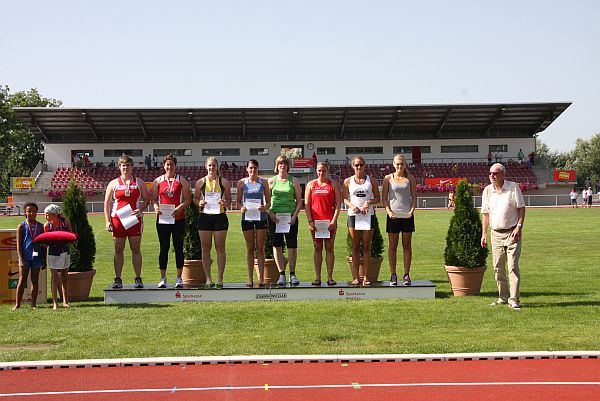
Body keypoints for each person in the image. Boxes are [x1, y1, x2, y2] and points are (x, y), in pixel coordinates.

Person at [481, 163, 526, 310]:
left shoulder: (513, 187)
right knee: (498, 268)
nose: (492, 176)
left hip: (512, 233)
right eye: (490, 173)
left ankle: (514, 299)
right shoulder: (487, 191)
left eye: (495, 173)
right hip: (495, 234)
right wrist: (484, 234)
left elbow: (521, 208)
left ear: (503, 174)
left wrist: (519, 227)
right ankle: (503, 297)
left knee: (512, 266)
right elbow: (486, 214)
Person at [104, 155, 150, 289]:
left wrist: (140, 209)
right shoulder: (113, 183)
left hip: (134, 219)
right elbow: (107, 203)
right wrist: (107, 221)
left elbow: (147, 200)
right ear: (119, 167)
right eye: (123, 166)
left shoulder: (139, 182)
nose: (126, 168)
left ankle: (138, 278)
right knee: (118, 249)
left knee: (136, 249)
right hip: (117, 220)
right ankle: (118, 278)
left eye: (128, 165)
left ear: (132, 167)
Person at [152, 154, 192, 289]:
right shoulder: (158, 181)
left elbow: (188, 200)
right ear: (164, 166)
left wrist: (180, 208)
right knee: (164, 248)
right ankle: (162, 278)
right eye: (167, 164)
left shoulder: (182, 181)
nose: (169, 167)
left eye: (172, 164)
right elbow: (153, 199)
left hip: (178, 219)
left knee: (178, 247)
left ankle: (179, 278)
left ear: (175, 166)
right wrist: (156, 207)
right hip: (163, 219)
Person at [343, 156, 381, 287]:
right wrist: (352, 206)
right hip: (353, 216)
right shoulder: (348, 181)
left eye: (361, 165)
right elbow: (344, 198)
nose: (359, 167)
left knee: (366, 247)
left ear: (364, 165)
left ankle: (366, 277)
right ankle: (355, 277)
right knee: (354, 246)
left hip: (367, 216)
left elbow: (378, 198)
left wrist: (368, 202)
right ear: (353, 166)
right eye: (356, 165)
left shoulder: (372, 181)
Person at [194, 157, 232, 288]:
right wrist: (199, 202)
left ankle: (220, 278)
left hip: (220, 217)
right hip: (205, 217)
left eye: (214, 165)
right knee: (205, 248)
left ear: (217, 166)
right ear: (206, 166)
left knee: (220, 248)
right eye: (209, 165)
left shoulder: (224, 182)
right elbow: (195, 199)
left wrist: (225, 203)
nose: (212, 167)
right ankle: (208, 279)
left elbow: (229, 200)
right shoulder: (200, 182)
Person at [268, 155, 303, 286]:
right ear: (277, 166)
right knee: (277, 245)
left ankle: (292, 274)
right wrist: (270, 214)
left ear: (288, 166)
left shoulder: (294, 181)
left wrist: (294, 216)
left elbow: (299, 202)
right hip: (275, 218)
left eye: (284, 163)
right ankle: (281, 274)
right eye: (280, 164)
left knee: (292, 246)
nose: (282, 166)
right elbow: (266, 201)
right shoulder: (271, 181)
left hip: (290, 218)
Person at [305, 161, 342, 286]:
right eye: (319, 170)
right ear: (316, 171)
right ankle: (317, 277)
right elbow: (307, 204)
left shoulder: (333, 184)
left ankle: (330, 277)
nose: (321, 173)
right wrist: (310, 221)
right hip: (315, 223)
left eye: (323, 170)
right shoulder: (311, 184)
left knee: (329, 248)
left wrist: (334, 221)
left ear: (328, 170)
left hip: (329, 222)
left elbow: (338, 204)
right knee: (317, 248)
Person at [382, 155, 417, 286]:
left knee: (407, 246)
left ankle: (406, 274)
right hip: (393, 216)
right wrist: (389, 212)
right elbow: (384, 198)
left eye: (402, 164)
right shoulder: (388, 178)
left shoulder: (410, 178)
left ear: (405, 164)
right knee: (392, 246)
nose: (399, 166)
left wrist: (411, 212)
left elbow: (414, 197)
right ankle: (393, 274)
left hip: (407, 216)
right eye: (397, 164)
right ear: (393, 164)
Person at [237, 159, 271, 287]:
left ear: (258, 169)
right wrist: (241, 208)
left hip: (261, 218)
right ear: (247, 169)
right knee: (250, 248)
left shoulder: (264, 182)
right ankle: (250, 278)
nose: (253, 170)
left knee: (260, 248)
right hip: (247, 218)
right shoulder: (242, 183)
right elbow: (238, 201)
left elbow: (268, 202)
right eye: (250, 168)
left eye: (255, 168)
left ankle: (261, 278)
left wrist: (264, 207)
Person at [12, 202, 46, 310]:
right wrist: (21, 259)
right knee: (22, 280)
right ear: (25, 212)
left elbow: (44, 245)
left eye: (34, 211)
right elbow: (18, 245)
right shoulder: (21, 226)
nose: (31, 213)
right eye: (29, 211)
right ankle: (17, 304)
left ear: (37, 213)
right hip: (25, 257)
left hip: (37, 257)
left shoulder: (41, 226)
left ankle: (33, 304)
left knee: (35, 281)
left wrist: (44, 260)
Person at [43, 204, 72, 310]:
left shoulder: (65, 222)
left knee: (64, 277)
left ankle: (65, 301)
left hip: (65, 251)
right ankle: (55, 303)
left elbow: (71, 235)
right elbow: (46, 241)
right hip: (53, 252)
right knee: (54, 277)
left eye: (47, 214)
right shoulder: (47, 225)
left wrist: (65, 242)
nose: (45, 217)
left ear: (55, 214)